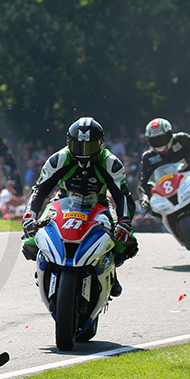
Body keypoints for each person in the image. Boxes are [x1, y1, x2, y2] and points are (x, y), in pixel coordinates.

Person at [20, 117, 138, 297]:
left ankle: (111, 272)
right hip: (62, 202)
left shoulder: (111, 163)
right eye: (78, 146)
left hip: (99, 204)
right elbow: (39, 189)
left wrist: (123, 221)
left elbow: (122, 195)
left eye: (89, 147)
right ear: (69, 143)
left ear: (100, 144)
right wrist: (30, 215)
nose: (83, 153)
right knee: (30, 241)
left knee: (126, 242)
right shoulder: (58, 159)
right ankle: (45, 266)